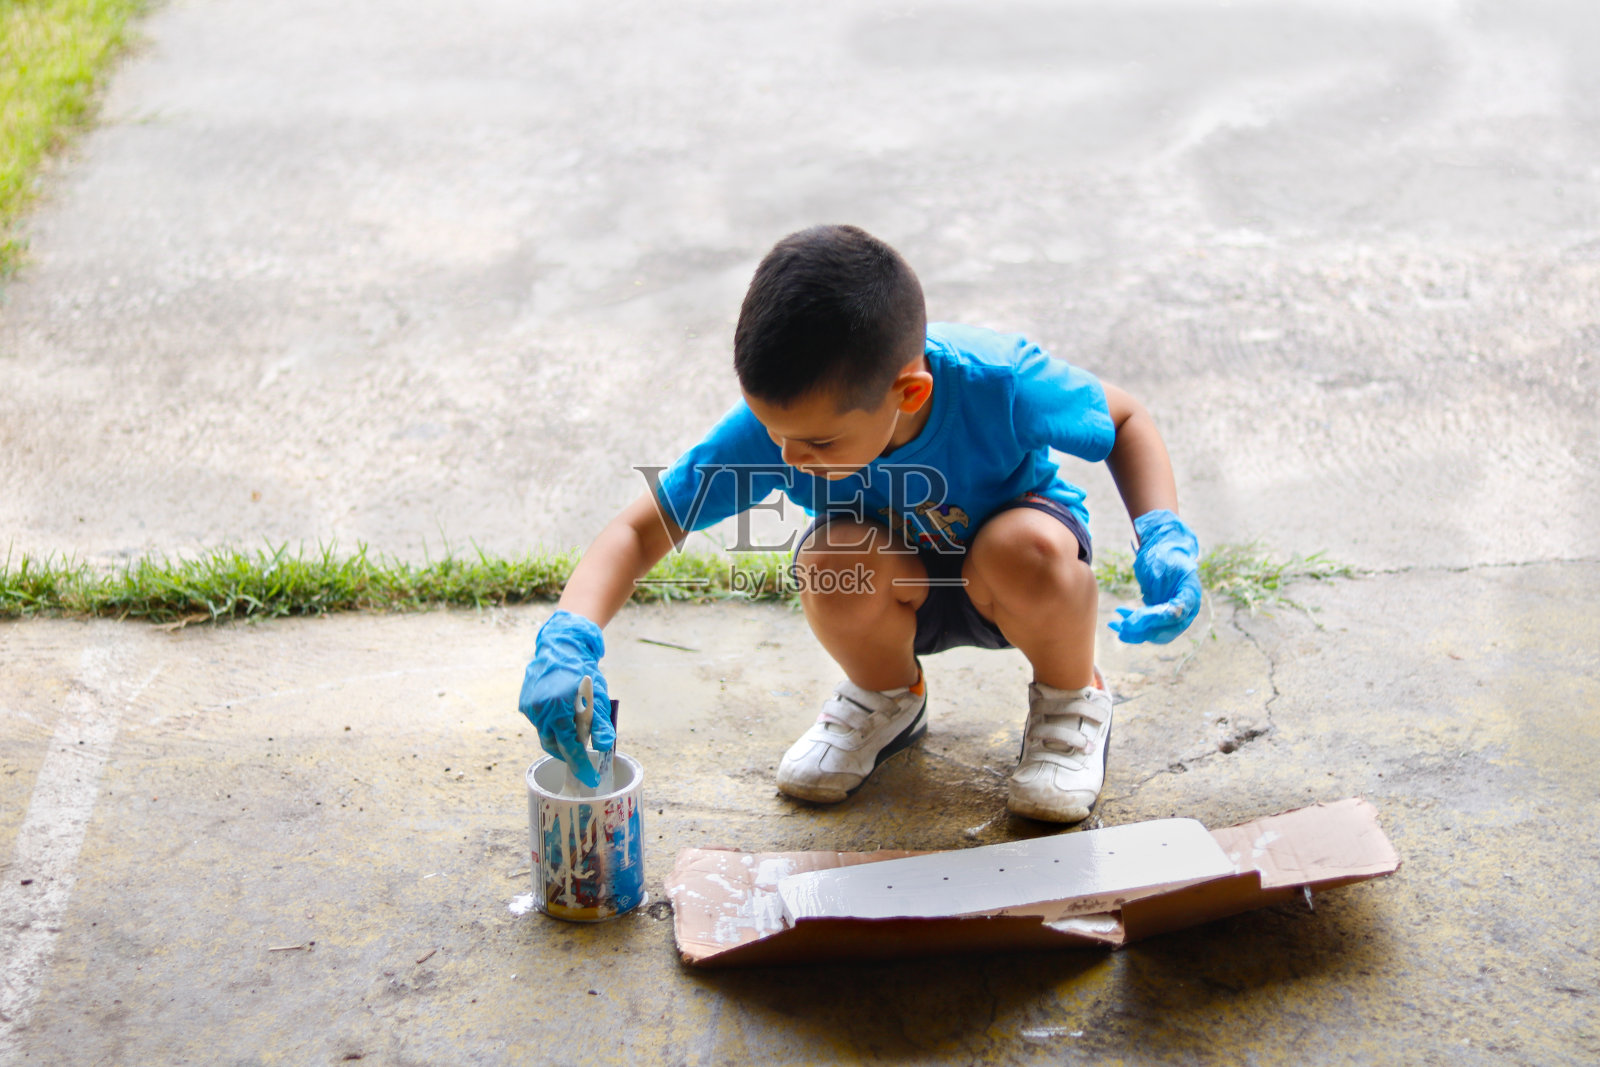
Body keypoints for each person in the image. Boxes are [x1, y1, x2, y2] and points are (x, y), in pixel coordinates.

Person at [518, 224, 1201, 823]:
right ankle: (887, 696)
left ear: (910, 393)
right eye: (774, 431)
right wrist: (567, 637)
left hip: (1018, 577)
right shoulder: (789, 425)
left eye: (815, 445)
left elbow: (1124, 418)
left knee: (1022, 548)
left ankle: (1069, 698)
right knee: (829, 560)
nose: (788, 458)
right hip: (898, 584)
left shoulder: (1001, 382)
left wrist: (1162, 530)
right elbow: (640, 529)